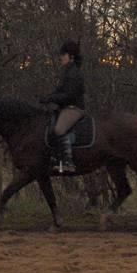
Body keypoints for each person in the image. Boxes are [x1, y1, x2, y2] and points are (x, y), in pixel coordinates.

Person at [39, 39, 85, 173]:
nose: (61, 57)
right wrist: (47, 98)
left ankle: (67, 162)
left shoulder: (74, 73)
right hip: (65, 107)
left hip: (74, 108)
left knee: (59, 129)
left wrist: (51, 98)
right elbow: (60, 91)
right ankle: (54, 158)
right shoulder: (67, 71)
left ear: (71, 56)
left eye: (63, 55)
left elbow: (69, 95)